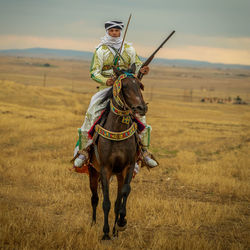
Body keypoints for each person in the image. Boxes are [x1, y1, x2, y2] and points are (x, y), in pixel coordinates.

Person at [73, 20, 158, 169]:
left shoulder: (129, 49)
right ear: (107, 32)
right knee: (94, 108)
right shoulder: (100, 50)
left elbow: (137, 64)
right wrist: (107, 81)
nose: (114, 33)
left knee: (140, 112)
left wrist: (143, 70)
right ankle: (86, 150)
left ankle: (143, 151)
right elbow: (94, 72)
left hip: (126, 87)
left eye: (117, 31)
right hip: (107, 88)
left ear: (120, 32)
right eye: (111, 31)